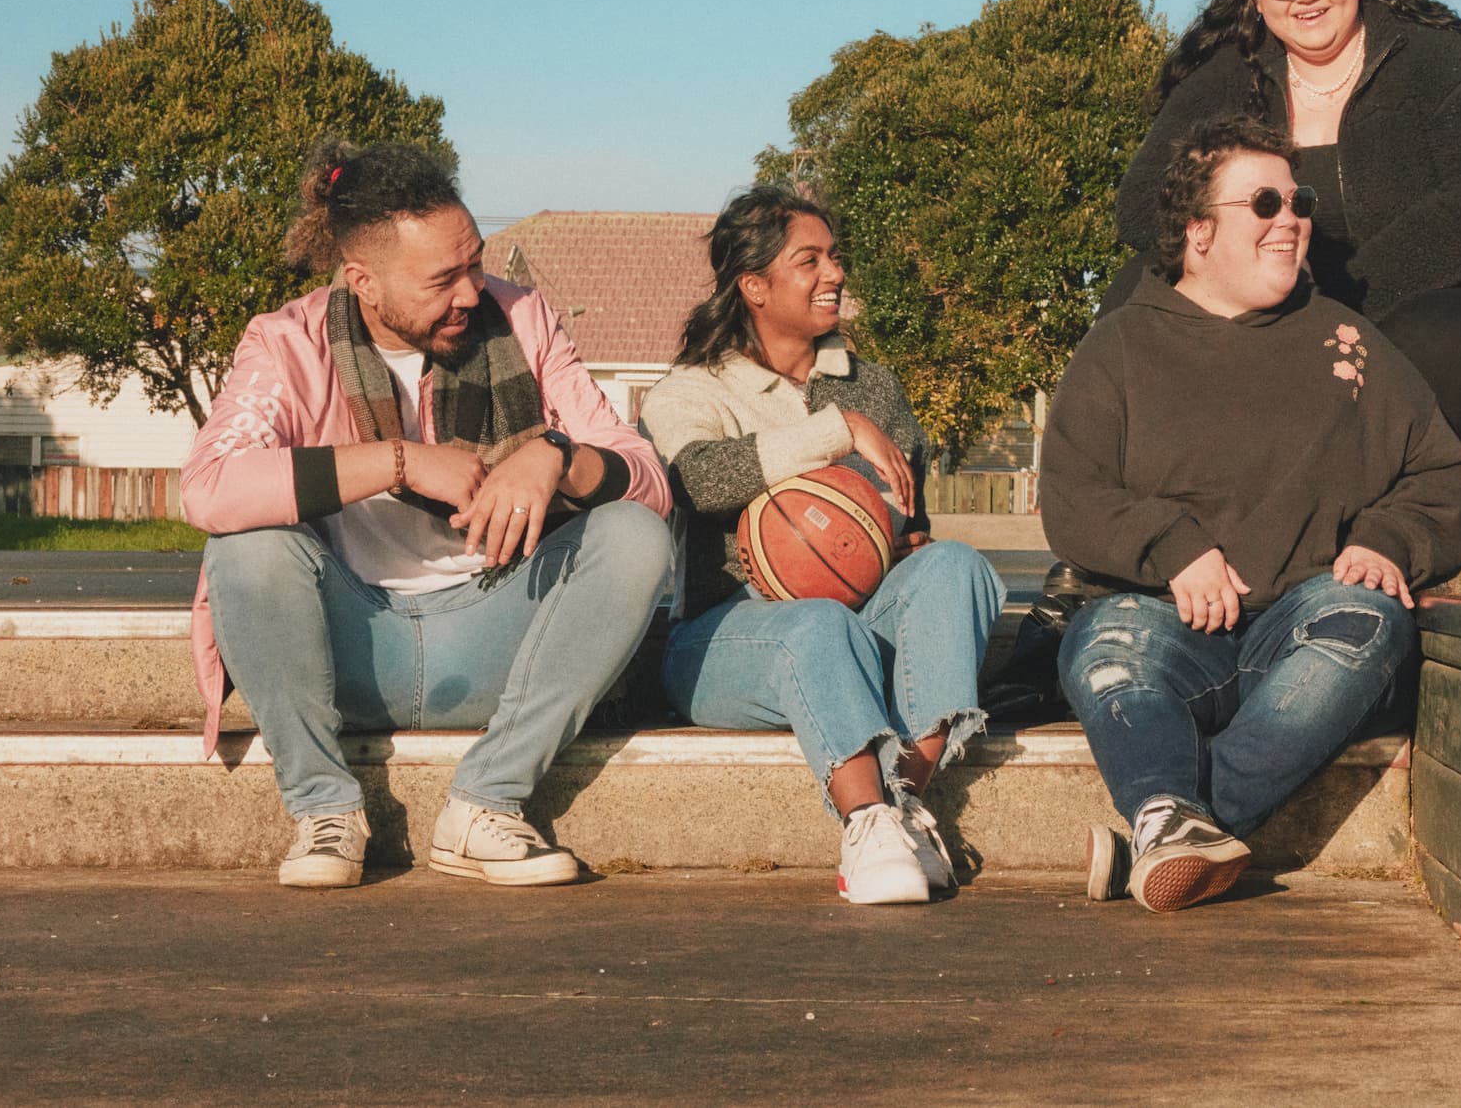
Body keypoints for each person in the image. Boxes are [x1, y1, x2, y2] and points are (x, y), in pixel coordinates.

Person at [181, 139, 675, 889]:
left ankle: (486, 804)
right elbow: (208, 487)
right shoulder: (286, 342)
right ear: (364, 282)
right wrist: (399, 459)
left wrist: (554, 452)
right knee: (244, 550)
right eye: (442, 279)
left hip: (497, 631)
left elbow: (649, 479)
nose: (471, 293)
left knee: (634, 532)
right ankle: (325, 808)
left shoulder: (523, 318)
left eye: (474, 263)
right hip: (352, 645)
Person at [1046, 113, 1461, 913]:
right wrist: (1172, 546)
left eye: (1298, 200)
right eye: (1265, 203)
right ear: (1198, 232)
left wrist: (1391, 537)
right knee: (1104, 644)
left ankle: (1167, 825)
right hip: (1161, 625)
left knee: (1368, 618)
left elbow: (1449, 476)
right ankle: (1172, 826)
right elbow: (1072, 497)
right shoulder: (1117, 349)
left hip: (1303, 626)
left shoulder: (1347, 343)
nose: (1291, 220)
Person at [639, 186, 1005, 905]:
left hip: (856, 630)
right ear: (753, 285)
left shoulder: (875, 386)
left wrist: (902, 540)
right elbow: (701, 481)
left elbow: (914, 529)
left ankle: (904, 802)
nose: (834, 273)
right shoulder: (688, 389)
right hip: (720, 641)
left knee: (957, 565)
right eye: (809, 260)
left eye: (834, 257)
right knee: (818, 619)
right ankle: (864, 822)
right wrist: (836, 432)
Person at [1110, 0, 1461, 458]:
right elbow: (1144, 205)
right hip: (1273, 323)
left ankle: (1339, 504)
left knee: (1436, 341)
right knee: (1136, 288)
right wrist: (1254, 296)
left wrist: (1335, 301)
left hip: (1445, 312)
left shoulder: (1436, 62)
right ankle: (1139, 489)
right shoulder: (1225, 78)